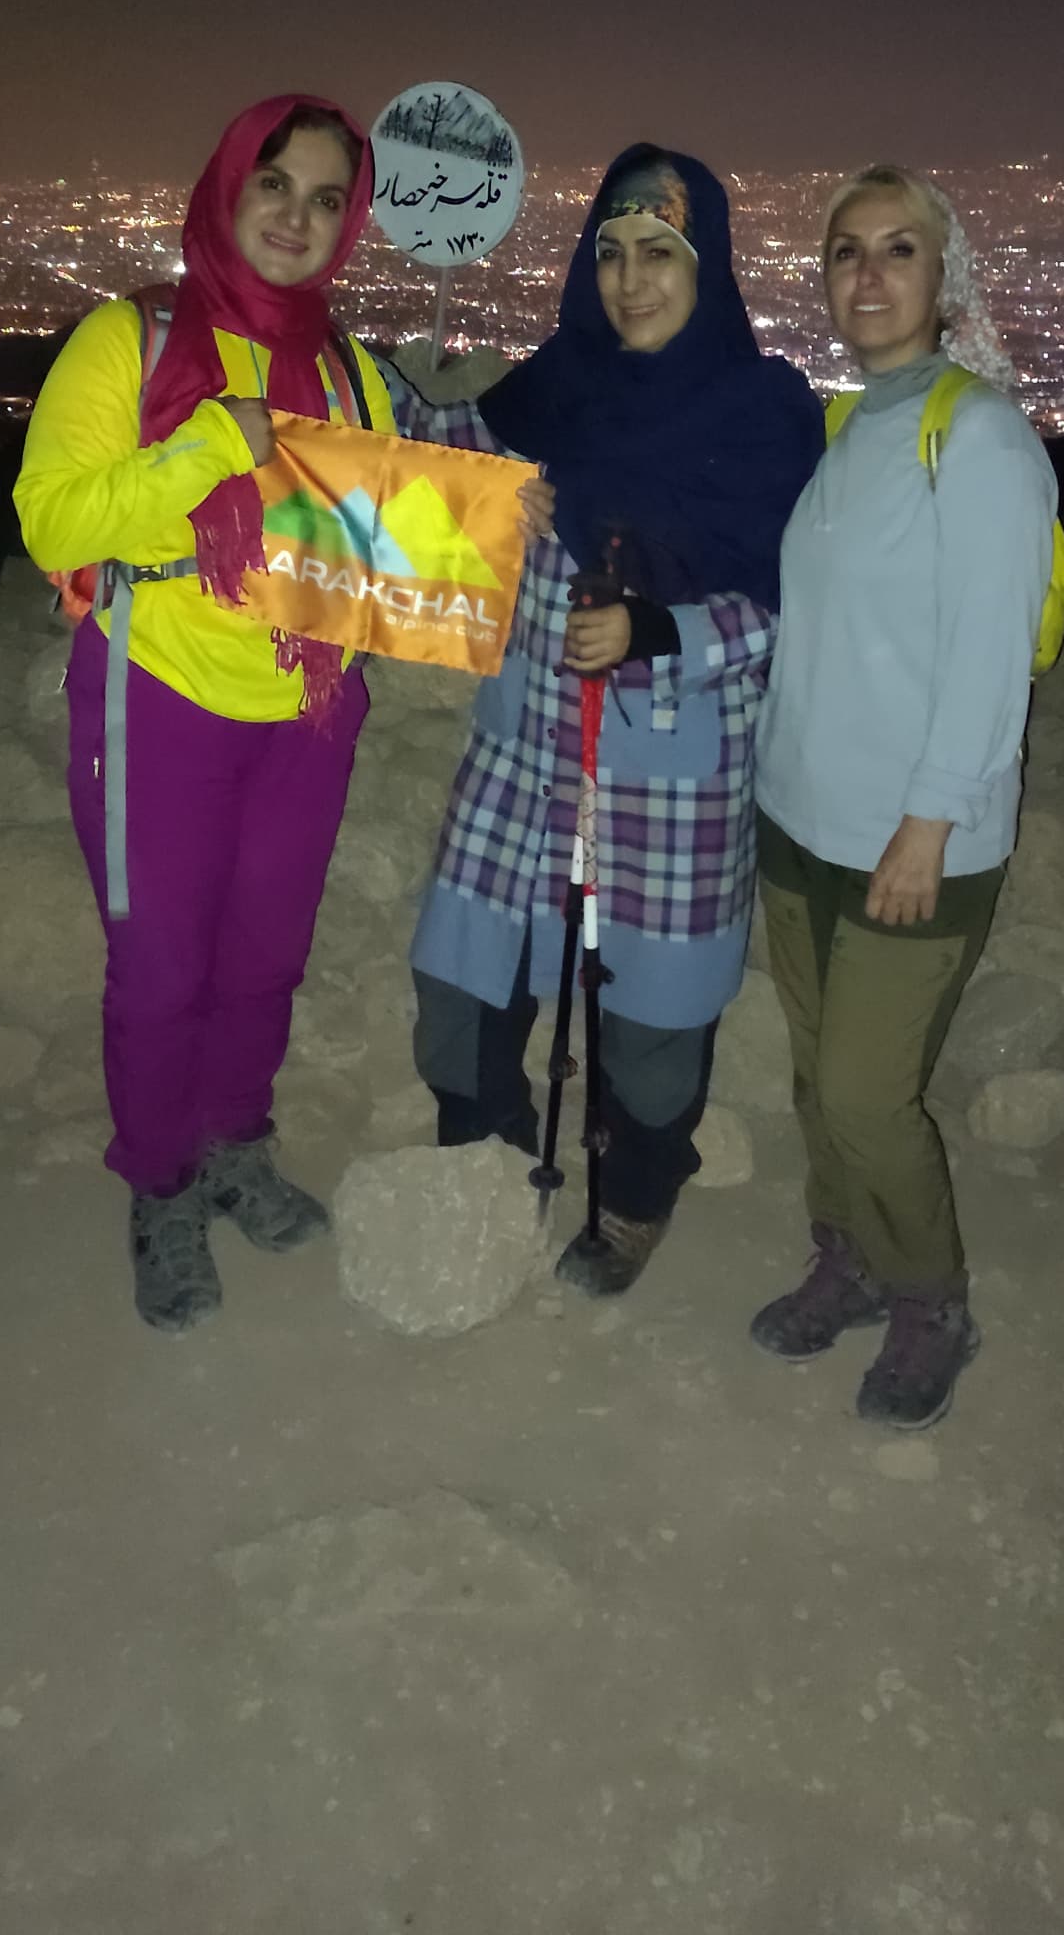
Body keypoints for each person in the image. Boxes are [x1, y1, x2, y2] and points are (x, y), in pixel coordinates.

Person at [403, 144, 825, 1294]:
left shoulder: (764, 417)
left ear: (709, 266)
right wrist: (483, 481)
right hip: (523, 753)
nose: (632, 281)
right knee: (465, 982)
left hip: (669, 776)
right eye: (612, 253)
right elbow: (422, 458)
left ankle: (635, 1194)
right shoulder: (554, 388)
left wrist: (660, 630)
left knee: (650, 1024)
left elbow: (794, 603)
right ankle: (482, 1166)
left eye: (661, 254)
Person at [17, 96, 391, 1332]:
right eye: (274, 183)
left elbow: (382, 537)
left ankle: (236, 1141)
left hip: (307, 707)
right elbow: (53, 518)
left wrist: (488, 525)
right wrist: (210, 448)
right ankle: (162, 1183)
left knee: (266, 953)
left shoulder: (347, 368)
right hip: (159, 693)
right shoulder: (128, 340)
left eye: (326, 198)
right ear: (228, 188)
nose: (296, 216)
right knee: (162, 969)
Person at [752, 163, 1058, 1429]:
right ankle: (851, 1256)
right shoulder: (848, 429)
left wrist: (928, 823)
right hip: (800, 821)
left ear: (945, 279)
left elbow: (991, 654)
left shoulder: (977, 437)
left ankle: (933, 1297)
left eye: (898, 249)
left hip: (914, 837)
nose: (868, 273)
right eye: (846, 250)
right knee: (817, 1078)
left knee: (869, 1093)